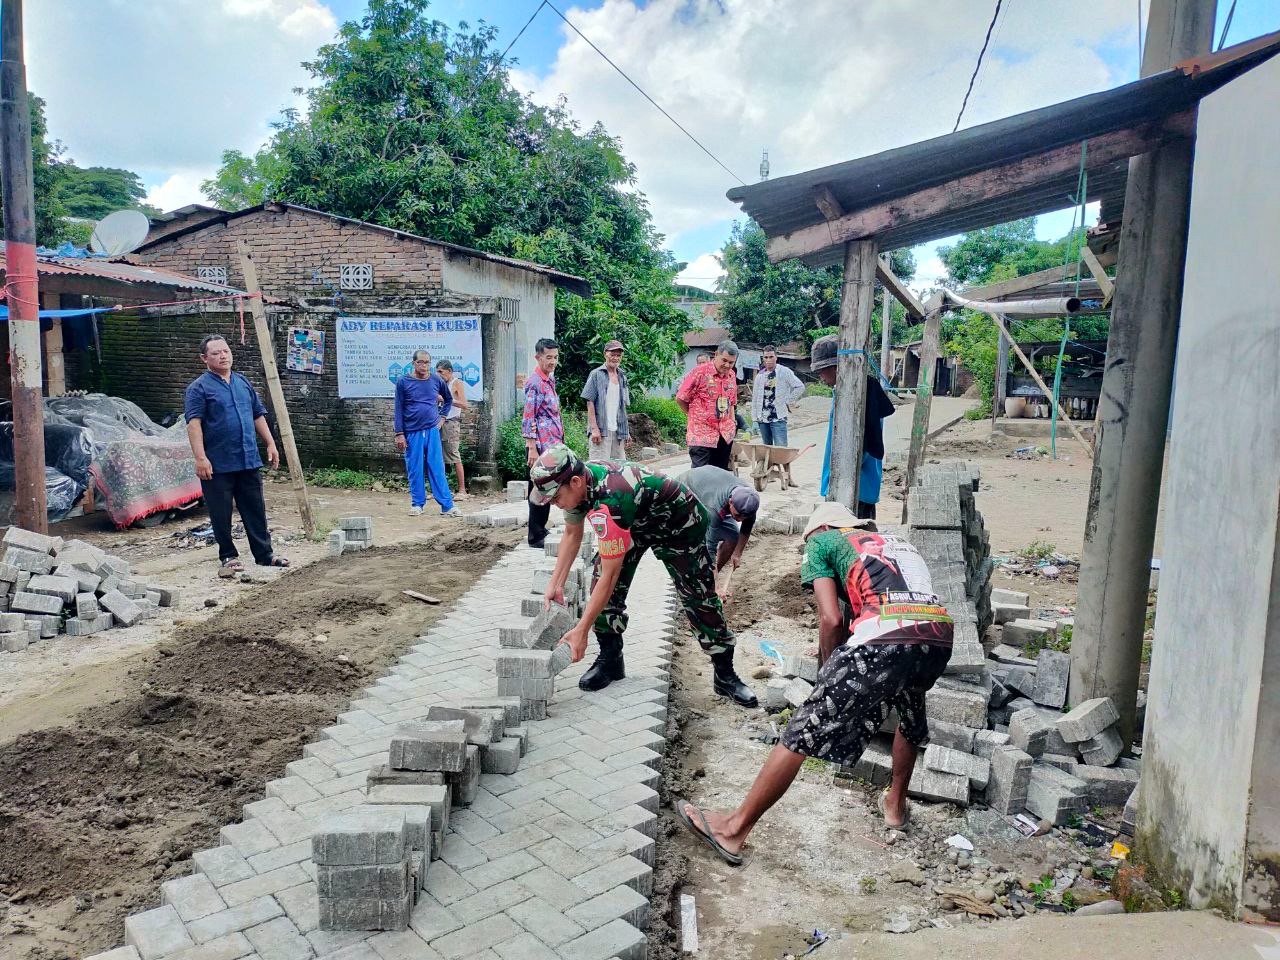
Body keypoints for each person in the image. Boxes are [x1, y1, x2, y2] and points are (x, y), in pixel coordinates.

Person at [672, 502, 953, 864]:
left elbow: (831, 617)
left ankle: (732, 830)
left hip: (885, 638)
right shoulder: (894, 541)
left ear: (819, 530)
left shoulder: (822, 543)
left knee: (803, 728)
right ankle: (895, 807)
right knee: (911, 713)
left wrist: (827, 672)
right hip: (938, 636)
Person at [531, 445, 758, 707]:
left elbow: (610, 575)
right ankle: (611, 660)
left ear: (575, 482)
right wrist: (554, 584)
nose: (554, 504)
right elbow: (572, 534)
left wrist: (581, 630)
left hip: (680, 525)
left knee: (699, 598)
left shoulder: (611, 498)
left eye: (556, 497)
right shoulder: (579, 485)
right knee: (602, 583)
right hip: (636, 522)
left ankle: (725, 675)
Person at [184, 334, 289, 573]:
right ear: (204, 358)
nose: (223, 356)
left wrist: (270, 444)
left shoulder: (243, 383)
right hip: (218, 462)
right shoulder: (198, 388)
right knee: (221, 512)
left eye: (226, 351)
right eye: (216, 353)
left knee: (255, 508)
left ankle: (264, 554)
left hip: (248, 458)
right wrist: (200, 458)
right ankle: (228, 556)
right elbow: (194, 424)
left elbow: (257, 415)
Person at [811, 334, 896, 519]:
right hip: (847, 485)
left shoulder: (860, 396)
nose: (821, 377)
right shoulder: (846, 392)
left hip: (854, 489)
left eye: (821, 371)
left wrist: (843, 478)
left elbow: (867, 446)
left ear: (835, 367)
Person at [394, 350, 457, 518]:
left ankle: (447, 505)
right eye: (420, 362)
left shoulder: (436, 380)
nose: (424, 366)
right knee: (415, 468)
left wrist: (442, 417)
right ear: (413, 363)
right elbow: (398, 408)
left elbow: (448, 399)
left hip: (432, 430)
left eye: (427, 362)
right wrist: (399, 433)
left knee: (437, 467)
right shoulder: (403, 382)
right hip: (412, 431)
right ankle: (417, 504)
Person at [677, 465, 759, 574]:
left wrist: (737, 554)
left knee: (732, 537)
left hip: (711, 488)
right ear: (730, 502)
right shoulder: (715, 508)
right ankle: (696, 578)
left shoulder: (749, 501)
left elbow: (746, 529)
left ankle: (711, 578)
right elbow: (710, 547)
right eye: (737, 515)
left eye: (744, 517)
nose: (739, 520)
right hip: (686, 490)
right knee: (696, 540)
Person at [522, 337, 564, 549]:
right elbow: (529, 417)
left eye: (555, 357)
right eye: (548, 358)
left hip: (552, 445)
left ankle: (541, 527)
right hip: (539, 447)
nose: (553, 362)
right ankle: (535, 535)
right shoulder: (535, 383)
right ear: (537, 357)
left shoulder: (549, 379)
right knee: (538, 489)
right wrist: (532, 448)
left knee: (547, 488)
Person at [676, 340, 739, 470]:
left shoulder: (732, 375)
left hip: (724, 434)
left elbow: (732, 401)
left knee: (719, 475)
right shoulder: (699, 372)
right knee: (701, 476)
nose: (727, 365)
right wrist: (693, 416)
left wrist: (732, 423)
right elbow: (681, 398)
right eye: (724, 360)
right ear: (716, 355)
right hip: (701, 435)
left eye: (731, 362)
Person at [582, 339, 630, 461]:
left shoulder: (622, 376)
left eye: (618, 355)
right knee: (600, 469)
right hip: (601, 431)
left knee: (619, 470)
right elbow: (590, 402)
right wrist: (594, 429)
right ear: (605, 354)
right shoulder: (596, 374)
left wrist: (626, 431)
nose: (615, 358)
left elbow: (622, 406)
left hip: (618, 432)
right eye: (612, 354)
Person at [751, 346, 804, 447]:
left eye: (771, 357)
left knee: (781, 450)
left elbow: (800, 386)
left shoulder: (784, 372)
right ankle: (770, 464)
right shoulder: (760, 376)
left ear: (776, 357)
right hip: (763, 419)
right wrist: (754, 419)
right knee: (767, 449)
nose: (768, 360)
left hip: (778, 418)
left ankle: (782, 463)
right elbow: (755, 399)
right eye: (766, 357)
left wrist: (787, 401)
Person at [435, 359, 469, 500]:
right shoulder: (440, 384)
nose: (438, 374)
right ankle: (442, 490)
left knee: (454, 455)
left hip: (451, 423)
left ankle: (462, 490)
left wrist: (446, 399)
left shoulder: (456, 383)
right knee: (438, 456)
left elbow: (464, 404)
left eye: (441, 372)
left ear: (449, 371)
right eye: (437, 372)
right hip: (439, 421)